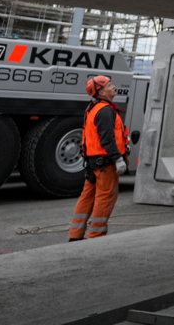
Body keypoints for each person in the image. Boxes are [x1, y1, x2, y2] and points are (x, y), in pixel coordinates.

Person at [69, 75, 129, 240]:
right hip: (105, 163)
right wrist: (118, 159)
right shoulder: (105, 110)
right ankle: (96, 236)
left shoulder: (93, 108)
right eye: (110, 85)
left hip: (93, 161)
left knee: (87, 196)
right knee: (105, 196)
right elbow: (107, 139)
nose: (114, 87)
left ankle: (75, 234)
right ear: (102, 92)